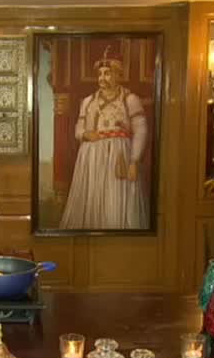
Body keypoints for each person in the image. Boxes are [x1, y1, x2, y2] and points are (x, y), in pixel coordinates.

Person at [59, 50, 149, 230]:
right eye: (100, 74)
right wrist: (85, 134)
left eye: (107, 73)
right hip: (92, 155)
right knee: (93, 195)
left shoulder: (130, 99)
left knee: (115, 195)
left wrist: (134, 161)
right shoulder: (88, 101)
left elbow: (141, 131)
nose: (102, 77)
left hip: (119, 156)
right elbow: (78, 129)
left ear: (118, 74)